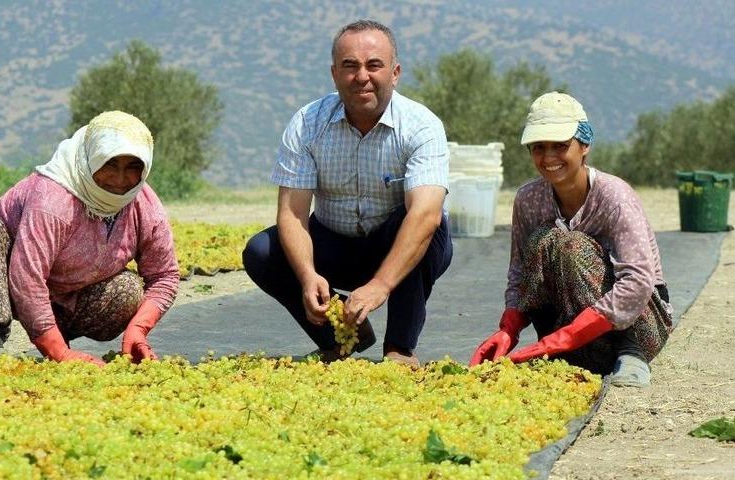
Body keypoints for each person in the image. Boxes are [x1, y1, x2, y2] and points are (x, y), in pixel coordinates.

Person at [242, 20, 452, 368]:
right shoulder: (308, 123)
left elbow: (425, 214)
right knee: (262, 252)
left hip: (397, 244)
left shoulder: (421, 126)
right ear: (334, 73)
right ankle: (341, 337)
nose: (361, 76)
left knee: (418, 223)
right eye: (350, 66)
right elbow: (292, 213)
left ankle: (399, 347)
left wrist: (381, 285)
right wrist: (307, 275)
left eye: (374, 65)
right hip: (335, 243)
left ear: (395, 73)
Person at [0, 111, 179, 366]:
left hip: (67, 295)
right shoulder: (53, 199)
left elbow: (165, 276)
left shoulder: (144, 206)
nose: (120, 180)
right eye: (109, 164)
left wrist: (138, 330)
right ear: (91, 159)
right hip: (2, 284)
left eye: (132, 167)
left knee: (128, 290)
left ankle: (57, 334)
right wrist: (59, 353)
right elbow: (27, 278)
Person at [469, 92, 673, 387]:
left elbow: (639, 281)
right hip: (567, 333)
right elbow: (519, 274)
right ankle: (557, 354)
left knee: (570, 244)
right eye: (539, 147)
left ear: (584, 145)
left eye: (560, 146)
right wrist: (508, 329)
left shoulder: (614, 197)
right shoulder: (528, 200)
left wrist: (567, 337)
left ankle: (629, 355)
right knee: (544, 241)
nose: (549, 158)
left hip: (638, 324)